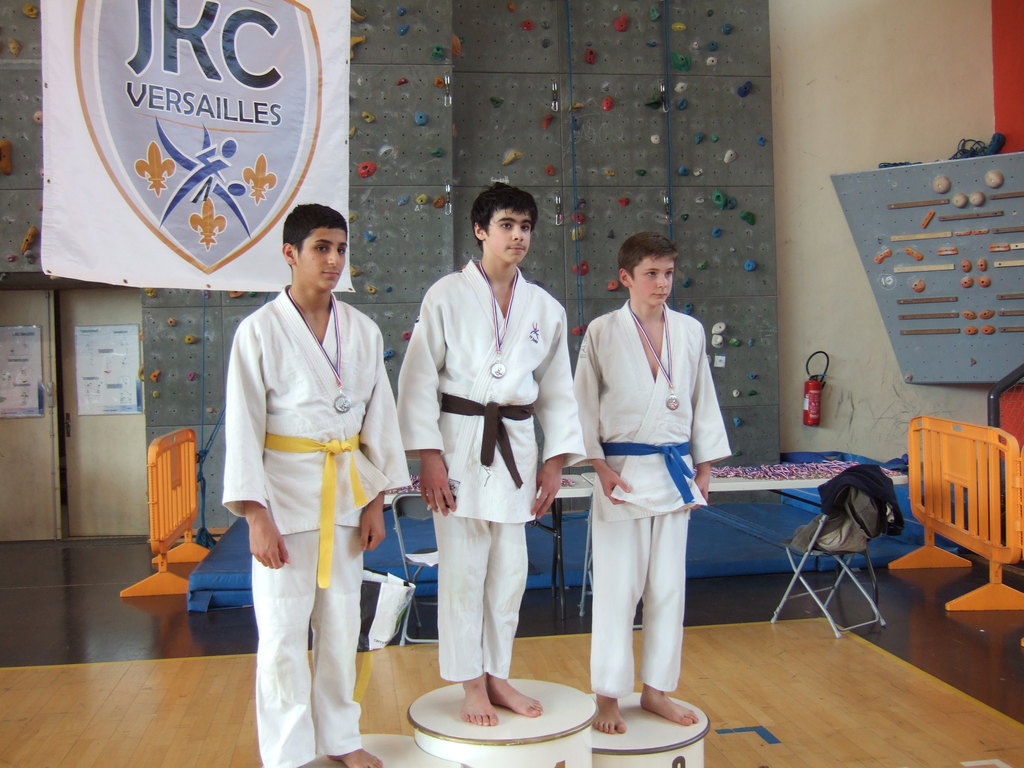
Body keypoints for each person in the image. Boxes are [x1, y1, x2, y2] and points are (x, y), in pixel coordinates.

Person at [223, 203, 410, 768]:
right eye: (321, 248)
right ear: (290, 253)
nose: (333, 260)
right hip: (283, 501)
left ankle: (341, 739)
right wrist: (256, 516)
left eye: (341, 249)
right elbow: (244, 428)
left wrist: (375, 503)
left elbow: (379, 420)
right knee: (283, 634)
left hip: (348, 496)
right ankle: (287, 755)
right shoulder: (259, 331)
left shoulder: (362, 330)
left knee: (342, 627)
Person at [397, 183, 585, 727]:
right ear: (481, 230)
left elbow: (558, 390)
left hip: (517, 448)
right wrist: (428, 456)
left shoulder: (544, 307)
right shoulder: (446, 295)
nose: (518, 236)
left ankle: (498, 673)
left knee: (510, 572)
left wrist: (555, 461)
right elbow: (418, 380)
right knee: (463, 571)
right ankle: (471, 683)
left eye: (525, 227)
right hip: (459, 442)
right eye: (506, 225)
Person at [573, 231, 731, 735]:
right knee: (617, 590)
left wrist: (705, 467)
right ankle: (607, 696)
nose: (662, 283)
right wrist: (598, 466)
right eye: (651, 274)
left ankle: (657, 690)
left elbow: (703, 398)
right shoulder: (602, 331)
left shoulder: (690, 330)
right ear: (626, 277)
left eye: (668, 273)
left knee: (668, 590)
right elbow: (582, 403)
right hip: (621, 474)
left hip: (676, 473)